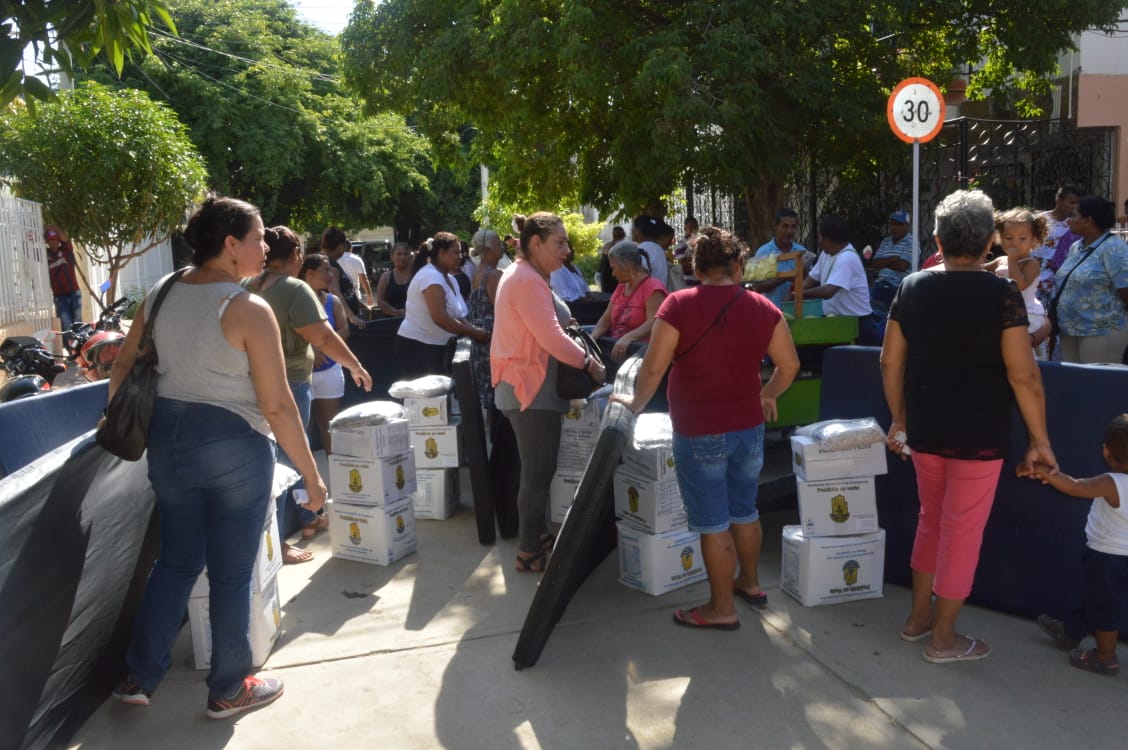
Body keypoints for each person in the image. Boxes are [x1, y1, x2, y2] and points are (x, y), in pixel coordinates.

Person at [107, 197, 328, 718]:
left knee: (176, 561)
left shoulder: (160, 293)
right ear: (230, 246)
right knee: (230, 572)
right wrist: (313, 479)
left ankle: (140, 676)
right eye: (257, 238)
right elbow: (276, 405)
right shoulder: (249, 309)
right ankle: (229, 688)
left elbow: (121, 367)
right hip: (234, 446)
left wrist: (119, 421)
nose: (265, 246)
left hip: (169, 442)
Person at [881, 189, 1057, 664]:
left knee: (931, 521)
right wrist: (1040, 441)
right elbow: (1024, 375)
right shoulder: (1000, 293)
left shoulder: (912, 286)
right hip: (979, 435)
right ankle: (943, 639)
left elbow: (890, 360)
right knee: (961, 532)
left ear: (937, 238)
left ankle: (919, 620)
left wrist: (900, 418)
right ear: (989, 245)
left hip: (926, 430)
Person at [612, 226, 799, 629]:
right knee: (744, 511)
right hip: (748, 428)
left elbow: (654, 367)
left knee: (713, 522)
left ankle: (721, 609)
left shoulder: (678, 305)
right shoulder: (764, 308)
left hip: (699, 428)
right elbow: (790, 366)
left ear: (696, 266)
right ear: (737, 264)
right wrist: (768, 395)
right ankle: (749, 584)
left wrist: (635, 403)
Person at [244, 226, 373, 561]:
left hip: (249, 384)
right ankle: (293, 529)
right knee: (291, 457)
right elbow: (325, 338)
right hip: (290, 384)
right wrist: (355, 365)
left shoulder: (247, 286)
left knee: (266, 459)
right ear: (296, 256)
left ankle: (303, 520)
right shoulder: (294, 289)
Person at [491, 212, 606, 572]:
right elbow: (551, 338)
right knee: (538, 474)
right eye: (560, 243)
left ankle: (537, 536)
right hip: (530, 390)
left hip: (530, 387)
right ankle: (528, 552)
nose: (567, 250)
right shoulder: (525, 278)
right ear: (535, 243)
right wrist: (590, 364)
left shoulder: (527, 275)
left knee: (537, 471)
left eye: (567, 242)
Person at [1021, 414, 1128, 677]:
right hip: (1118, 558)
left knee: (1105, 605)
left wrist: (1043, 471)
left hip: (1108, 557)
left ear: (1105, 450)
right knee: (1096, 598)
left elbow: (1075, 487)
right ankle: (1070, 632)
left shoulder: (1112, 482)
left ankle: (1105, 657)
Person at [396, 232, 489, 378]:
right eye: (456, 252)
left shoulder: (451, 278)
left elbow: (458, 316)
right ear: (442, 253)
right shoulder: (430, 276)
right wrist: (473, 333)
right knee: (427, 399)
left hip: (438, 347)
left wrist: (475, 329)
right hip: (418, 348)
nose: (460, 256)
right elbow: (440, 317)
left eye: (461, 253)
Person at [1053, 196, 1128, 364]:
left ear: (1088, 220)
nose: (1068, 221)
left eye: (1073, 216)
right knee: (1076, 385)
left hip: (1102, 331)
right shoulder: (1076, 247)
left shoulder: (1114, 248)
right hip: (1070, 330)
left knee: (1100, 385)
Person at [299, 253, 350, 457]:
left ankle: (335, 473)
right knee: (304, 426)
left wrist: (323, 346)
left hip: (330, 370)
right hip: (302, 373)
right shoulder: (295, 299)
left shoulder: (333, 301)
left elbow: (345, 329)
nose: (331, 274)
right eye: (326, 270)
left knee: (329, 425)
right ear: (309, 274)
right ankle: (306, 481)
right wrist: (312, 347)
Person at [984, 208, 1051, 351]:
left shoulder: (1030, 264)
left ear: (1034, 239)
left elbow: (1019, 285)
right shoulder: (1000, 260)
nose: (1015, 243)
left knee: (1020, 351)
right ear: (1000, 238)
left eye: (1022, 238)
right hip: (1003, 312)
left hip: (1027, 314)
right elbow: (979, 269)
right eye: (1009, 238)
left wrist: (1012, 261)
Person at [589, 241, 668, 362]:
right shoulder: (621, 287)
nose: (613, 274)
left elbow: (655, 322)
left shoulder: (653, 288)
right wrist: (591, 340)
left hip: (640, 357)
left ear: (626, 264)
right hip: (618, 354)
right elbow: (605, 320)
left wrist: (629, 337)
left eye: (614, 268)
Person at [790, 215, 871, 319]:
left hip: (857, 321)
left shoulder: (847, 258)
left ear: (826, 239)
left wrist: (799, 294)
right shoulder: (826, 254)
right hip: (835, 319)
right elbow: (811, 280)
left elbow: (828, 291)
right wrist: (794, 293)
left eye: (819, 237)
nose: (819, 241)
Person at [468, 229, 505, 415]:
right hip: (492, 339)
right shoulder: (494, 275)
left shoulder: (477, 271)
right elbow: (502, 310)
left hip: (480, 337)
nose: (502, 247)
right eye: (499, 244)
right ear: (489, 249)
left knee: (488, 394)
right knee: (496, 392)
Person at [751, 208, 807, 307]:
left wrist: (805, 274)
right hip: (771, 313)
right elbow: (756, 287)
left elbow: (811, 282)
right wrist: (784, 278)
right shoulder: (763, 252)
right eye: (785, 226)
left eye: (793, 227)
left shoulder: (801, 251)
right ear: (775, 226)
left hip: (797, 312)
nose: (790, 231)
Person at [320, 228, 369, 328]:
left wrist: (359, 304)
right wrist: (352, 317)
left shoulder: (324, 260)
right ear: (341, 247)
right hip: (342, 322)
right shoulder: (330, 265)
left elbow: (343, 292)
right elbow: (335, 292)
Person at [868, 211, 914, 315]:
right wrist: (892, 259)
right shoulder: (886, 241)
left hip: (897, 287)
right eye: (893, 224)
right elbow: (875, 263)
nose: (894, 227)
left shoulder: (912, 243)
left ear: (906, 225)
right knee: (874, 315)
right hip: (880, 284)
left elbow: (902, 266)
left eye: (898, 224)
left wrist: (884, 262)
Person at [45, 226, 82, 331]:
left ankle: (79, 346)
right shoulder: (45, 255)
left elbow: (66, 238)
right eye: (51, 240)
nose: (53, 242)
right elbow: (29, 250)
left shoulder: (66, 250)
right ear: (47, 241)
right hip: (60, 296)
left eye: (56, 239)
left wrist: (51, 227)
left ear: (59, 240)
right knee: (66, 324)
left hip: (74, 293)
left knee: (78, 323)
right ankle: (71, 347)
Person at [374, 241, 414, 317]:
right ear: (392, 257)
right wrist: (396, 312)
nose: (402, 257)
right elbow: (380, 301)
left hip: (414, 320)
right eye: (399, 254)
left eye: (405, 254)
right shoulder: (386, 277)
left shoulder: (416, 276)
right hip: (391, 321)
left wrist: (409, 312)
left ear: (410, 256)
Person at [632, 214, 668, 290]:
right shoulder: (658, 249)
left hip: (646, 298)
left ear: (638, 230)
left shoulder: (644, 249)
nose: (631, 231)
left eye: (633, 227)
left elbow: (639, 276)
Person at [598, 226, 626, 294]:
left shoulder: (607, 245)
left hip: (605, 273)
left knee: (608, 295)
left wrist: (599, 272)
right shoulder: (624, 246)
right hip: (616, 273)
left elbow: (603, 262)